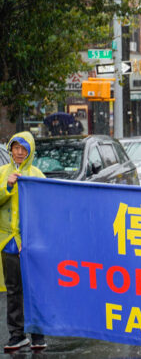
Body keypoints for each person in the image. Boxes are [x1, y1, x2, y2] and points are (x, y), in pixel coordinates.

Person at [0, 132, 46, 352]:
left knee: (34, 289)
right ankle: (16, 335)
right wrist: (7, 187)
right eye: (15, 148)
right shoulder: (2, 173)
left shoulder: (37, 174)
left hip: (31, 243)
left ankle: (38, 334)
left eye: (23, 149)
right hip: (8, 241)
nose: (18, 152)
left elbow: (46, 207)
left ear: (30, 151)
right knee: (14, 290)